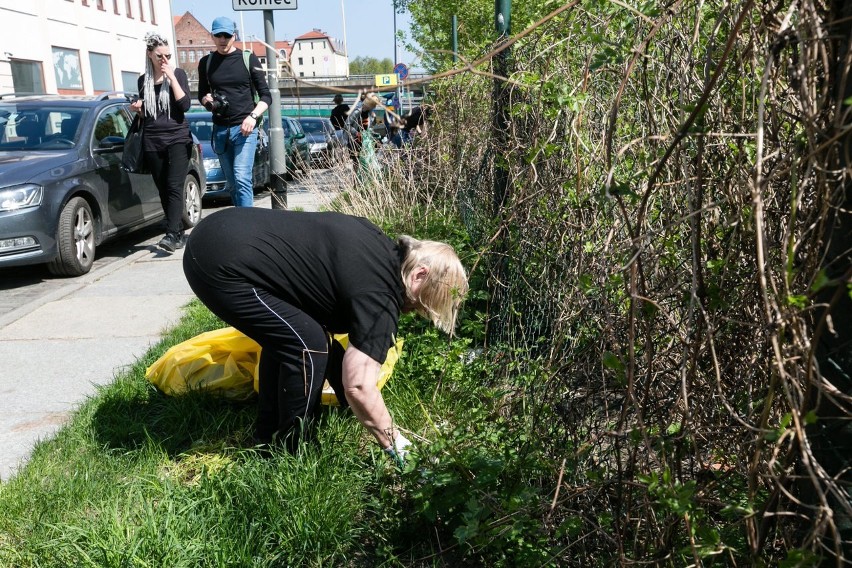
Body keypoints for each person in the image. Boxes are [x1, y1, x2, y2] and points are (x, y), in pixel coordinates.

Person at [183, 207, 468, 463]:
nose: (416, 310)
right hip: (221, 265)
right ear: (419, 275)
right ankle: (291, 454)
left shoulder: (376, 245)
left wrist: (348, 404)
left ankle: (266, 438)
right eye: (426, 300)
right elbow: (359, 386)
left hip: (218, 230)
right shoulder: (379, 297)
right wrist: (397, 445)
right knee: (307, 345)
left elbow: (334, 352)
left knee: (295, 333)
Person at [197, 16, 271, 207]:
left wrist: (253, 117)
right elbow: (202, 93)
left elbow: (266, 96)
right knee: (232, 184)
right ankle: (240, 223)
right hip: (221, 130)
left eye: (227, 35)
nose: (223, 39)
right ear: (212, 36)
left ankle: (248, 227)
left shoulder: (248, 58)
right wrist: (207, 100)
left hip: (245, 128)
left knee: (241, 177)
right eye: (218, 35)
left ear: (234, 36)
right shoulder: (206, 62)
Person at [130, 32, 192, 253]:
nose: (164, 60)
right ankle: (177, 233)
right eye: (159, 56)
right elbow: (147, 115)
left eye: (168, 55)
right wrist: (138, 110)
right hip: (153, 140)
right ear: (149, 55)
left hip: (177, 138)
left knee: (174, 186)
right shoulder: (143, 81)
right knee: (163, 188)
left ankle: (171, 234)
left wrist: (172, 79)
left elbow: (185, 105)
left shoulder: (178, 74)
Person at [343, 92, 382, 179]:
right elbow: (347, 125)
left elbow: (375, 125)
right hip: (355, 140)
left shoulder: (371, 113)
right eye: (373, 106)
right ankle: (356, 181)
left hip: (366, 140)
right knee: (356, 161)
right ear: (369, 105)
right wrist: (356, 133)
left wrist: (375, 119)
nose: (374, 108)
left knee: (367, 160)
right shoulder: (357, 112)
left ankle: (366, 180)